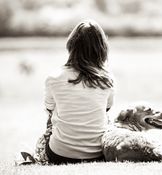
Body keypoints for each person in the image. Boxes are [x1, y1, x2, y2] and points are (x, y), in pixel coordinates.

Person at [43, 19, 114, 165]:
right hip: (97, 153)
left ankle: (43, 154)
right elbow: (106, 109)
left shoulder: (54, 77)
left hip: (59, 154)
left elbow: (49, 110)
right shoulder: (107, 79)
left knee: (51, 120)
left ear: (71, 45)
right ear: (101, 48)